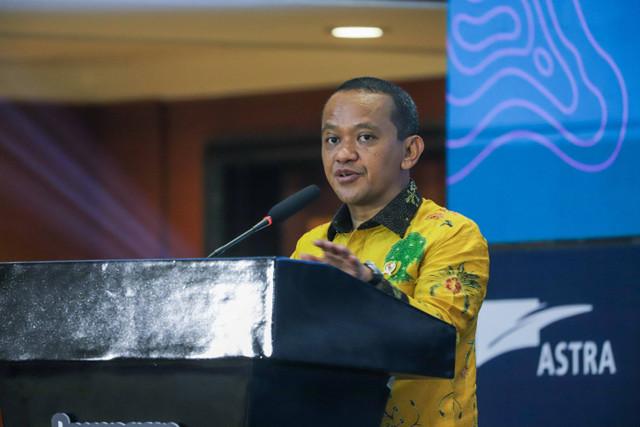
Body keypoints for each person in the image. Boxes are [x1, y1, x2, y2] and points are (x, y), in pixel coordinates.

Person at [290, 77, 489, 427]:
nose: (343, 154)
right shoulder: (313, 244)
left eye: (365, 137)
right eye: (332, 139)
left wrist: (371, 285)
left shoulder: (451, 233)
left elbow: (439, 338)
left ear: (409, 151)